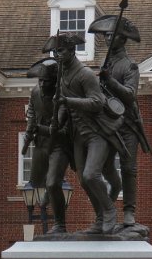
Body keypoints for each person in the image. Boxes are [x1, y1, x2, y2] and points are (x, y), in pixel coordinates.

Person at [42, 32, 127, 234]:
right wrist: (58, 120)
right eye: (55, 51)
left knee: (91, 175)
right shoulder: (62, 74)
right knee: (83, 180)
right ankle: (100, 220)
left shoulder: (85, 74)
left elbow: (97, 102)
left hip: (97, 132)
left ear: (72, 50)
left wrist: (67, 102)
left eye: (61, 50)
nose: (57, 55)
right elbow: (62, 104)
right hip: (78, 135)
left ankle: (109, 211)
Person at [89, 15, 150, 226]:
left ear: (122, 39)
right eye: (105, 34)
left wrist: (109, 80)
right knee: (103, 166)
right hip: (107, 123)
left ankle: (129, 211)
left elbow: (129, 95)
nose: (106, 38)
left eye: (111, 35)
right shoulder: (105, 62)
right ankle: (108, 202)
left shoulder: (130, 66)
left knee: (128, 168)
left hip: (127, 124)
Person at [22, 58, 70, 234]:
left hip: (60, 144)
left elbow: (57, 127)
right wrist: (29, 131)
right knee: (38, 181)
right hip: (42, 143)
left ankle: (60, 224)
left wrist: (38, 128)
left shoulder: (63, 96)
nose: (42, 84)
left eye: (46, 81)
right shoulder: (35, 92)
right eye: (40, 80)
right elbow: (32, 112)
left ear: (55, 81)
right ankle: (48, 197)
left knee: (52, 183)